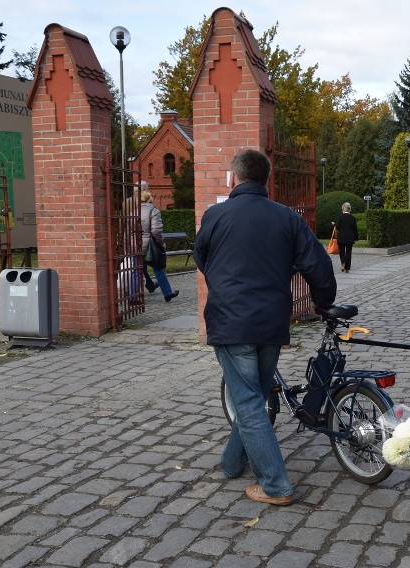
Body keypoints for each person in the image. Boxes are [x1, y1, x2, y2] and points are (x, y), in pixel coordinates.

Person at [193, 149, 336, 506]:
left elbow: (201, 257)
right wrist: (322, 301)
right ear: (267, 179)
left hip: (230, 321)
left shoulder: (215, 215)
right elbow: (318, 264)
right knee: (254, 396)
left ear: (234, 177)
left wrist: (222, 283)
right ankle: (232, 464)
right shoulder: (286, 218)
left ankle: (276, 485)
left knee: (250, 402)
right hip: (271, 321)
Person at [140, 183, 179, 302]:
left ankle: (134, 296)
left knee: (137, 270)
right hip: (150, 245)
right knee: (158, 269)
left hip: (136, 244)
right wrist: (162, 243)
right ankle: (167, 293)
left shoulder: (134, 210)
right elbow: (156, 231)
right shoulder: (154, 211)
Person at [335, 202, 358, 273]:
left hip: (341, 237)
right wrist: (356, 237)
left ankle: (343, 264)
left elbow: (337, 227)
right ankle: (347, 267)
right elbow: (355, 229)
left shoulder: (340, 217)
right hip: (350, 237)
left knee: (341, 251)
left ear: (343, 208)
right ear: (349, 209)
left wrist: (334, 225)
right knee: (348, 252)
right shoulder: (353, 218)